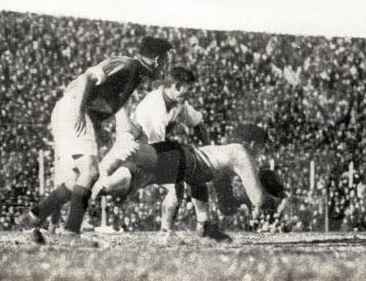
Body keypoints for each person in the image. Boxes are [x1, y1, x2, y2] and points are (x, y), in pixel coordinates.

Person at [16, 36, 172, 247]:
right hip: (73, 108)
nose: (165, 67)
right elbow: (85, 79)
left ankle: (32, 218)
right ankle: (71, 233)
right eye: (165, 60)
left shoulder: (136, 74)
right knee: (90, 172)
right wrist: (80, 111)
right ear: (156, 59)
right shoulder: (127, 65)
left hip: (72, 111)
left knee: (77, 179)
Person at [90, 124, 285, 242]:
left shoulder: (223, 156)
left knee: (116, 185)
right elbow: (259, 199)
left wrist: (239, 205)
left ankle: (88, 184)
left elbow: (223, 204)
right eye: (261, 148)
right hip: (180, 158)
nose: (260, 154)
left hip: (180, 160)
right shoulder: (241, 154)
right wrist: (280, 201)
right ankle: (125, 145)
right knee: (165, 179)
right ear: (252, 144)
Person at [96, 66, 206, 237]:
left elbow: (197, 122)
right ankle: (83, 201)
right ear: (176, 86)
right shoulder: (153, 107)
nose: (188, 94)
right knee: (115, 185)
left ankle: (166, 230)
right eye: (187, 89)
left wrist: (207, 146)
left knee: (177, 185)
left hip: (151, 152)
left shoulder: (178, 102)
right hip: (136, 152)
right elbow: (156, 148)